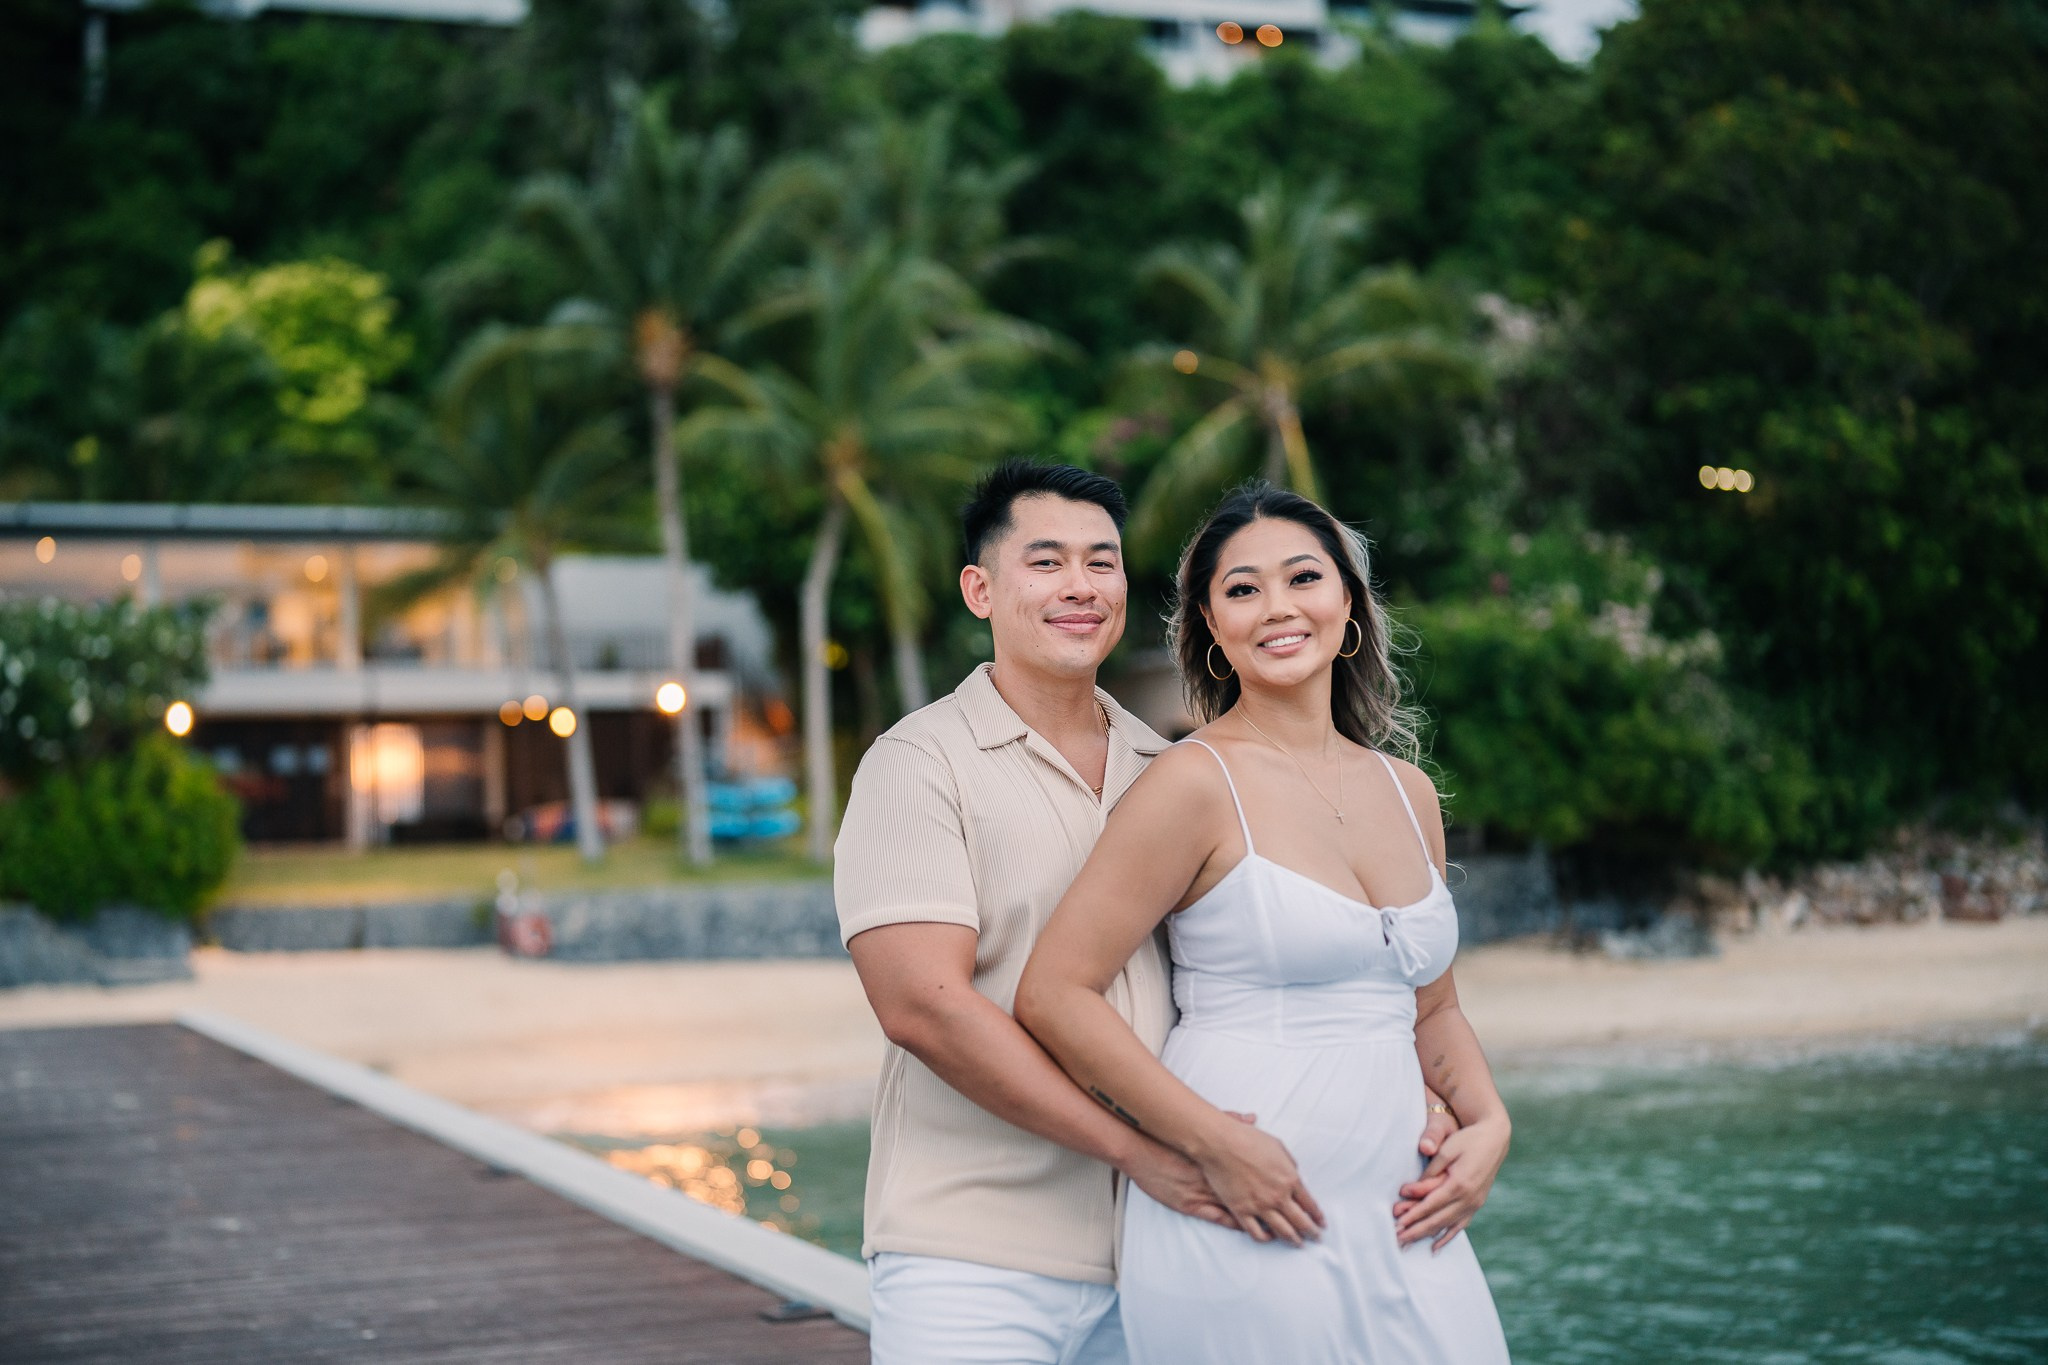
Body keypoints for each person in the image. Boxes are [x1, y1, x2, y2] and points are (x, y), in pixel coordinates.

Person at [836, 463, 1459, 1364]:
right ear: (980, 588)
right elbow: (924, 1008)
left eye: (1103, 562)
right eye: (1045, 562)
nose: (1080, 586)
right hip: (976, 1244)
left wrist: (1433, 1103)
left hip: (1164, 1245)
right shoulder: (919, 761)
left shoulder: (1171, 767)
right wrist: (1149, 1149)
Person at [1016, 482, 1513, 1364]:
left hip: (1409, 1212)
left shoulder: (1410, 793)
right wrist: (1208, 1142)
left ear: (1348, 604)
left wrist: (1489, 1128)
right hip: (1247, 1215)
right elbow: (1056, 992)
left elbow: (1431, 1010)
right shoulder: (1192, 784)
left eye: (1303, 578)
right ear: (1209, 626)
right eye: (1242, 589)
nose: (1277, 608)